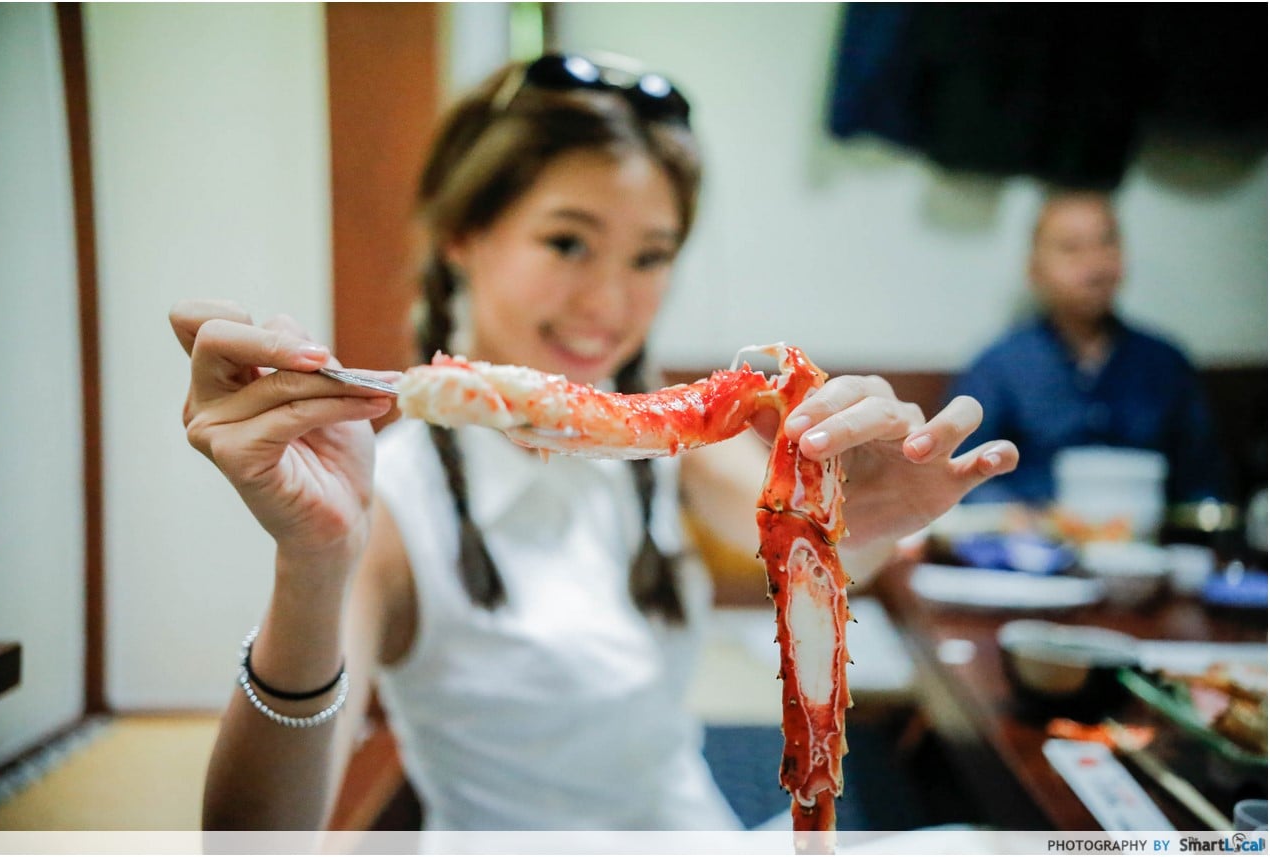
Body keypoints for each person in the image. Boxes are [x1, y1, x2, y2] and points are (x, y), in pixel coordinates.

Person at [170, 53, 1019, 832]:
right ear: (463, 235)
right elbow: (254, 840)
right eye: (568, 242)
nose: (609, 303)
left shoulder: (673, 450)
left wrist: (857, 522)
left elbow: (829, 546)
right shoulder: (387, 504)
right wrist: (313, 561)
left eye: (650, 256)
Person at [947, 189, 1228, 507]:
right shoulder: (998, 367)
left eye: (1107, 243)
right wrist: (1010, 516)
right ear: (1034, 269)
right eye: (1071, 248)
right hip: (1036, 533)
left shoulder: (1166, 362)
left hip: (1149, 532)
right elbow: (959, 476)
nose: (1095, 264)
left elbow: (1204, 483)